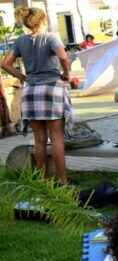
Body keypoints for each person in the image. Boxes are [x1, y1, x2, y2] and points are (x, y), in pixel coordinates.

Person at [1, 7, 71, 185]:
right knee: (56, 138)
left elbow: (5, 64)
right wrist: (66, 72)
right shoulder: (51, 37)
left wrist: (23, 77)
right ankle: (62, 181)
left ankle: (43, 182)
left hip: (30, 91)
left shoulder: (20, 40)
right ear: (43, 20)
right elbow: (63, 56)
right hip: (51, 88)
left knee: (39, 139)